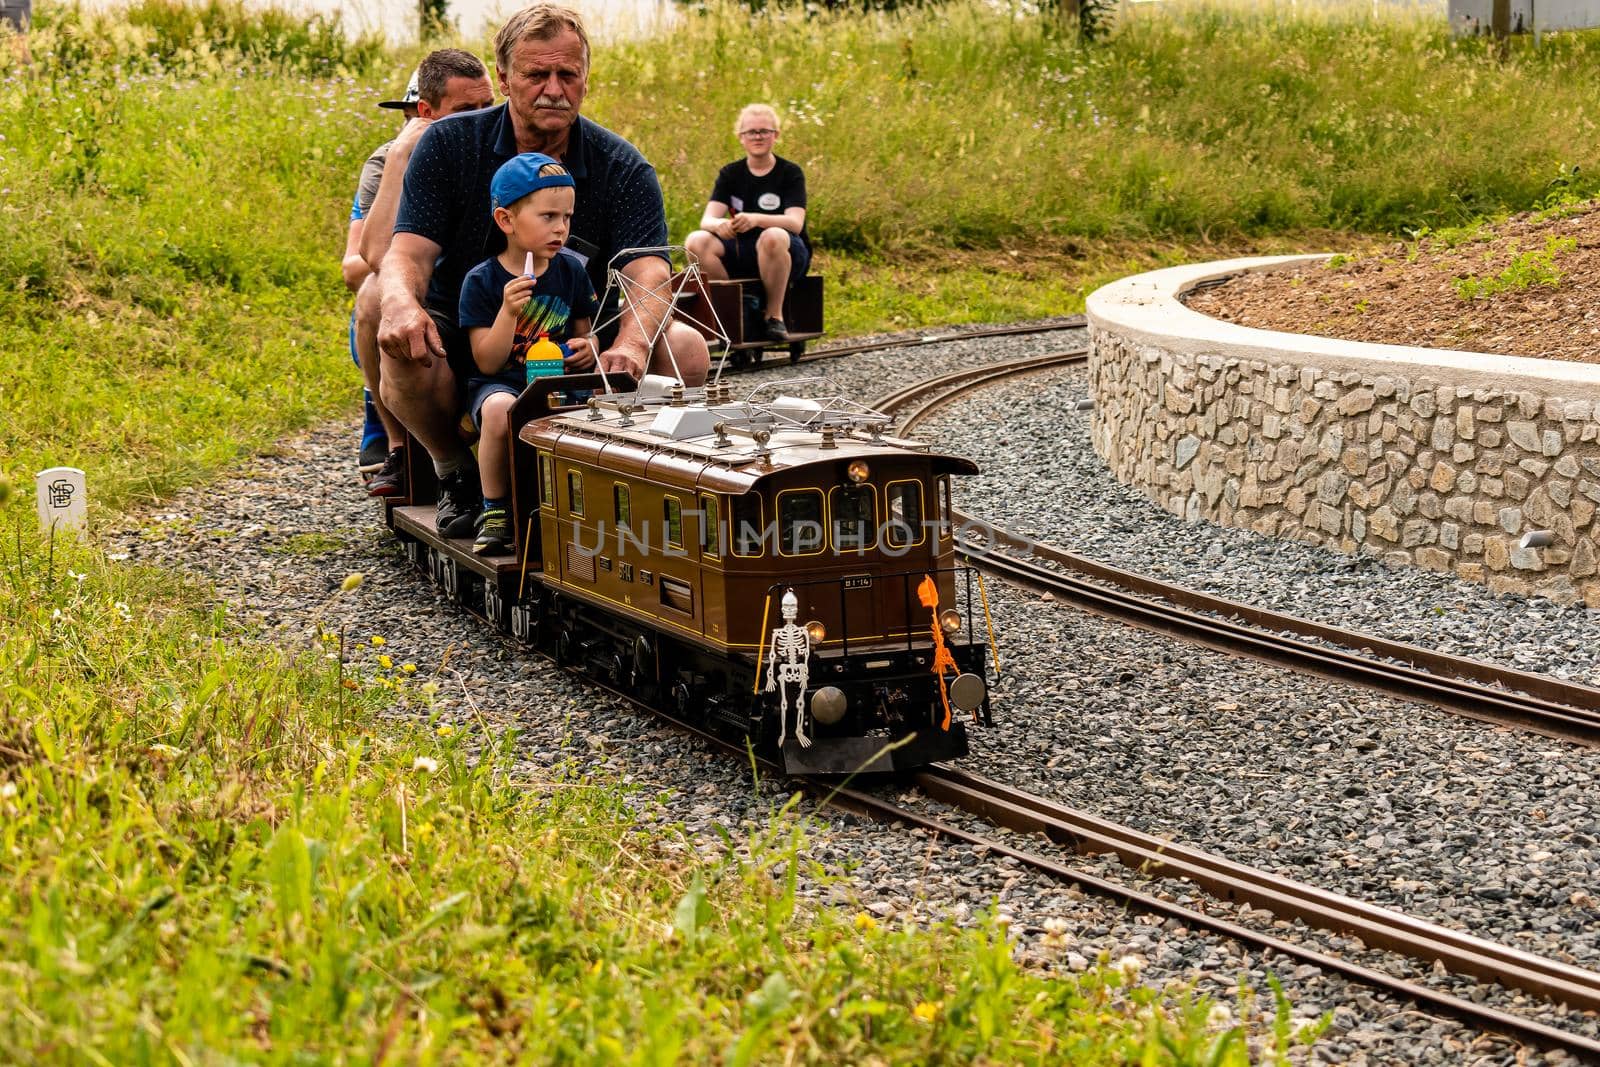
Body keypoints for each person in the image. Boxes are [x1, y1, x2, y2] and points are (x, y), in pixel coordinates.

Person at [376, 3, 710, 539]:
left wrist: (631, 344)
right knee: (396, 336)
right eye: (536, 74)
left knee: (687, 346)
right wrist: (399, 302)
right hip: (467, 338)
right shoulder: (449, 144)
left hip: (574, 346)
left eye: (567, 74)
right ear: (504, 79)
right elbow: (406, 252)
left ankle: (627, 478)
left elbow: (649, 268)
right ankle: (455, 471)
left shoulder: (621, 165)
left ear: (585, 79)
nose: (553, 88)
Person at [345, 50, 495, 494]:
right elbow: (366, 259)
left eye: (488, 108)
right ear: (424, 115)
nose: (481, 121)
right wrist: (400, 159)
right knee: (375, 294)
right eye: (467, 112)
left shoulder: (502, 144)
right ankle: (399, 449)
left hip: (485, 288)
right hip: (424, 295)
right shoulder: (386, 159)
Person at [458, 154, 596, 554]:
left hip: (559, 380)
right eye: (548, 216)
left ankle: (584, 510)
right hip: (504, 382)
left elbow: (587, 335)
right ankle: (496, 507)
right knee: (501, 408)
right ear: (506, 221)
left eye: (567, 217)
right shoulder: (482, 280)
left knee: (603, 410)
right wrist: (507, 311)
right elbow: (486, 360)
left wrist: (589, 351)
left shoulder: (572, 271)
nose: (561, 228)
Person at [683, 103, 811, 343]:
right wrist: (719, 225)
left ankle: (774, 317)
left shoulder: (790, 173)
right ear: (741, 137)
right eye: (751, 132)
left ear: (776, 135)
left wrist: (756, 219)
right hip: (741, 250)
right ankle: (736, 306)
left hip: (785, 251)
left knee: (772, 235)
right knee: (696, 241)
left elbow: (795, 223)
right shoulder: (730, 173)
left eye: (765, 131)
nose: (758, 136)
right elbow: (707, 219)